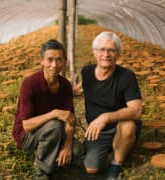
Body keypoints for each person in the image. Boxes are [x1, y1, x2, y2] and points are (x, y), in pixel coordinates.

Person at [12, 39, 84, 180]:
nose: (54, 65)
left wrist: (67, 146)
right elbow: (26, 126)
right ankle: (40, 169)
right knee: (55, 124)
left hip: (53, 133)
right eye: (50, 60)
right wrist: (54, 113)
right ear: (42, 61)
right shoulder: (30, 84)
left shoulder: (65, 85)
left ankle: (50, 156)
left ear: (64, 61)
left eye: (59, 60)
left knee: (78, 150)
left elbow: (71, 119)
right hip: (27, 136)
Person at [81, 32, 142, 180]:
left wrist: (106, 117)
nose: (106, 54)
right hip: (98, 131)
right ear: (94, 52)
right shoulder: (86, 72)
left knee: (128, 126)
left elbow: (136, 111)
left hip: (119, 126)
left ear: (118, 54)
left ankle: (117, 164)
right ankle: (113, 147)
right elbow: (79, 88)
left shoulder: (126, 76)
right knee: (91, 168)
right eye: (101, 49)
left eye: (111, 50)